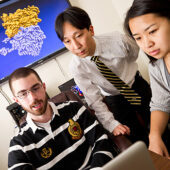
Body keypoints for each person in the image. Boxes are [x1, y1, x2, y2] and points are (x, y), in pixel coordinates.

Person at [55, 6, 151, 144]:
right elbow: (94, 99)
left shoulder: (117, 39)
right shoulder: (77, 67)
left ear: (91, 30)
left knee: (161, 125)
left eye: (78, 36)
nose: (76, 46)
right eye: (67, 41)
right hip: (115, 100)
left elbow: (134, 53)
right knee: (137, 139)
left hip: (137, 85)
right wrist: (112, 124)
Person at [8, 67, 118, 169]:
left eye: (35, 88)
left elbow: (101, 141)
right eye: (23, 94)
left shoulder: (75, 108)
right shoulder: (19, 145)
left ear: (44, 87)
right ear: (17, 100)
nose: (33, 98)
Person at [124, 0, 170, 157]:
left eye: (152, 31)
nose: (147, 44)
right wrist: (154, 135)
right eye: (138, 38)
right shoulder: (157, 66)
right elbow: (160, 103)